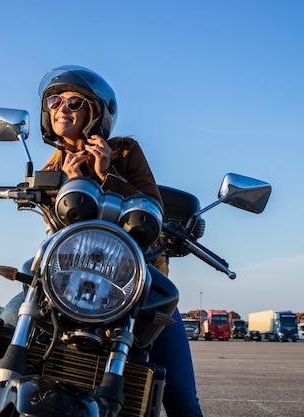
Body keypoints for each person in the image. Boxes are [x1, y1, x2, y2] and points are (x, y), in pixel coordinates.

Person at [37, 64, 204, 417]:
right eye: (54, 100)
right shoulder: (50, 168)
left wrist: (105, 174)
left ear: (95, 112)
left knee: (184, 403)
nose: (61, 108)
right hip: (69, 282)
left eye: (73, 102)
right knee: (10, 315)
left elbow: (154, 208)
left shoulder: (125, 151)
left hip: (132, 283)